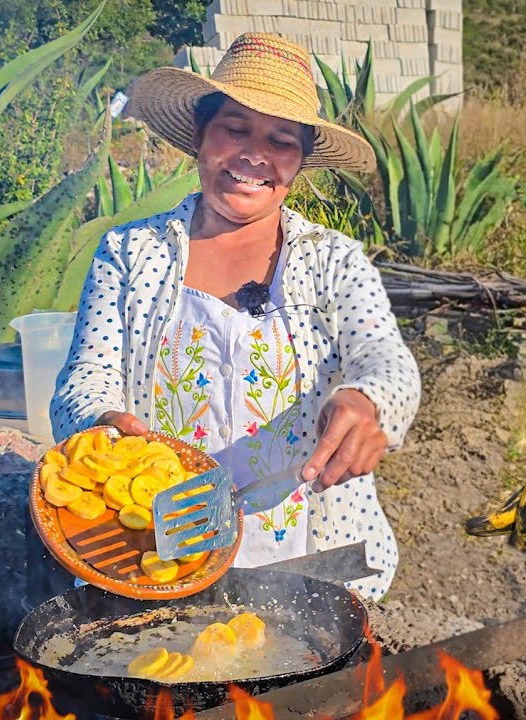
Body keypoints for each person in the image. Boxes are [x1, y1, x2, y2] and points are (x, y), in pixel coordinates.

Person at [50, 33, 420, 599]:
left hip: (307, 562)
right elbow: (86, 375)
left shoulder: (331, 260)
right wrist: (103, 424)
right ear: (200, 136)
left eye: (281, 140)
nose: (255, 155)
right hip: (157, 548)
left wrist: (366, 402)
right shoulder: (131, 252)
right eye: (235, 128)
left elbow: (386, 360)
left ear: (299, 163)